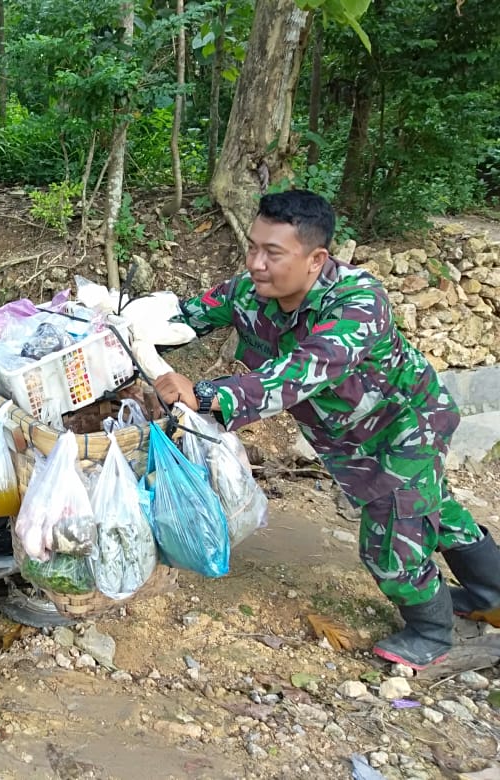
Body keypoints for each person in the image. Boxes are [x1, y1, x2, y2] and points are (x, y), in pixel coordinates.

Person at [154, 189, 500, 670]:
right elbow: (178, 320)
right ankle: (489, 593)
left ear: (316, 258)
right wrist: (113, 326)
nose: (256, 263)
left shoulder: (358, 302)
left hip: (405, 425)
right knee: (434, 506)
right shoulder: (246, 293)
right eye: (252, 247)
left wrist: (209, 394)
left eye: (273, 253)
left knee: (390, 534)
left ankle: (433, 632)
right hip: (346, 436)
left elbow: (303, 370)